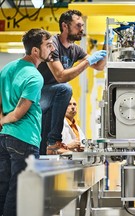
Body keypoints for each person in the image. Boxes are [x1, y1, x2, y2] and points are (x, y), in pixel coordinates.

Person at [0, 29, 54, 216]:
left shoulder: (7, 69)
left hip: (5, 139)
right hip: (24, 139)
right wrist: (4, 120)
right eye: (48, 45)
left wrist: (2, 123)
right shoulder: (34, 77)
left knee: (3, 189)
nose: (52, 48)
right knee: (20, 195)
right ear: (35, 51)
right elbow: (18, 114)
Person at [37, 10, 107, 155]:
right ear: (65, 26)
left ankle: (48, 148)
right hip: (37, 93)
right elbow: (60, 76)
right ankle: (54, 141)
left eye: (82, 26)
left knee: (43, 138)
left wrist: (108, 44)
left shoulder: (75, 50)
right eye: (78, 25)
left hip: (52, 97)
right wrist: (88, 61)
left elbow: (99, 66)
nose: (82, 29)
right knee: (65, 89)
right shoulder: (52, 44)